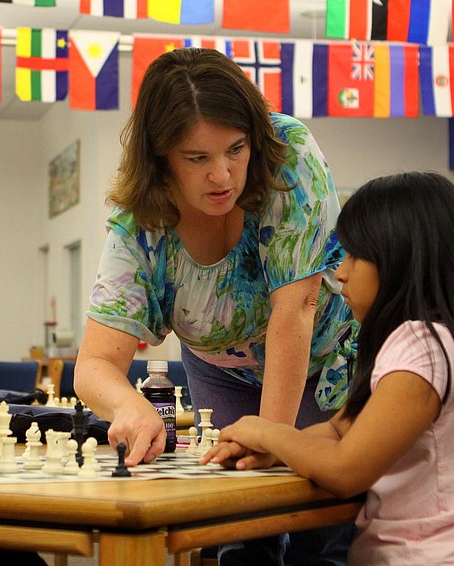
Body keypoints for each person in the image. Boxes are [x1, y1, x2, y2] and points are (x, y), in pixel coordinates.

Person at [74, 46, 356, 564]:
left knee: (321, 516)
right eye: (197, 158)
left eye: (235, 150)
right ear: (161, 159)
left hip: (320, 361)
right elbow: (94, 364)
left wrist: (273, 435)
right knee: (238, 522)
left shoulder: (288, 153)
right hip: (220, 370)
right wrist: (130, 405)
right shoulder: (141, 224)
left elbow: (298, 307)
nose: (222, 175)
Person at [203, 171, 454, 565]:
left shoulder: (422, 345)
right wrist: (280, 450)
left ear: (403, 259)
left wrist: (267, 431)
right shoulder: (452, 341)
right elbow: (342, 429)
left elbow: (345, 470)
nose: (340, 273)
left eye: (356, 255)